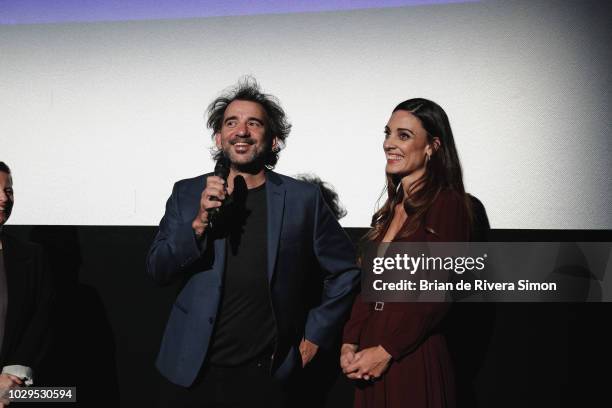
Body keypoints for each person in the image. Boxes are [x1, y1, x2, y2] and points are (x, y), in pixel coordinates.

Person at [147, 79, 360, 407]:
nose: (241, 131)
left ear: (274, 140)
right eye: (231, 122)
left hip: (267, 375)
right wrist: (199, 224)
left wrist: (315, 338)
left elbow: (346, 271)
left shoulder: (302, 199)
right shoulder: (187, 193)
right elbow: (158, 269)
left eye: (254, 123)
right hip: (191, 371)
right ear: (219, 138)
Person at [341, 98, 472, 408]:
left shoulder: (448, 204)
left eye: (404, 135)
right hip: (370, 357)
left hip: (410, 355)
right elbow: (368, 290)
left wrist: (387, 350)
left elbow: (440, 292)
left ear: (432, 146)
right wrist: (350, 342)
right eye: (388, 133)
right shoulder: (388, 213)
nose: (389, 143)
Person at [0, 162, 53, 406]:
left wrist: (10, 380)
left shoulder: (32, 255)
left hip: (16, 392)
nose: (4, 198)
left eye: (8, 190)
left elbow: (41, 319)